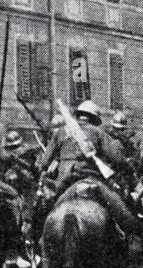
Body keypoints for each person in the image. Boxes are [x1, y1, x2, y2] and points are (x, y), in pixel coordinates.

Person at [34, 100, 137, 235]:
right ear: (94, 119)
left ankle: (36, 240)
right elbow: (117, 159)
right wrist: (128, 168)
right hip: (91, 180)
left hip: (63, 182)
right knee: (125, 217)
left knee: (41, 212)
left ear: (78, 115)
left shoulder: (60, 132)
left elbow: (43, 163)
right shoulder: (98, 133)